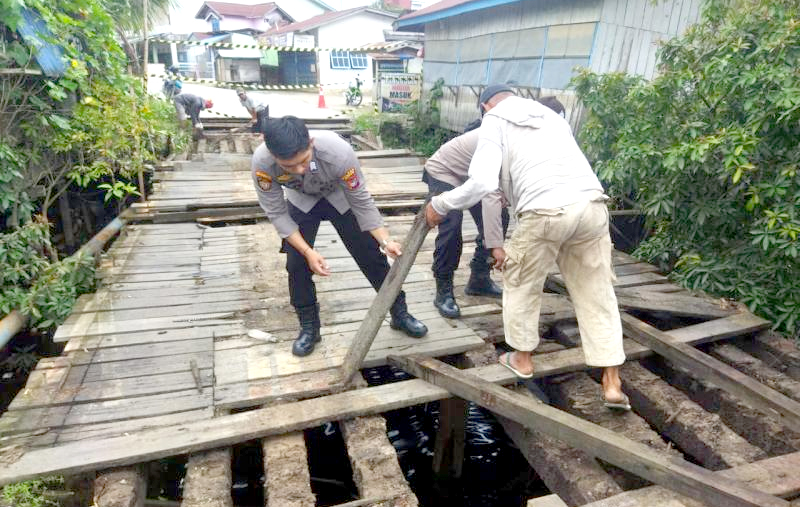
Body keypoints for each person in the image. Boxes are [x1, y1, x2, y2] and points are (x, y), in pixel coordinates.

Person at [424, 85, 629, 410]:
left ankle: (521, 358)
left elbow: (481, 184)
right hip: (592, 205)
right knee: (598, 292)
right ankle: (612, 381)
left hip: (545, 211)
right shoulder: (552, 117)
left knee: (521, 283)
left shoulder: (494, 120)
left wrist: (441, 203)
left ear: (486, 106)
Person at [252, 116, 428, 357]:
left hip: (339, 197)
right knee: (296, 264)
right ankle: (309, 329)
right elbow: (277, 213)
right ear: (273, 156)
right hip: (301, 201)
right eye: (289, 166)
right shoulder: (261, 164)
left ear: (311, 143)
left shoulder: (338, 153)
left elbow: (361, 201)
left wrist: (385, 240)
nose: (299, 170)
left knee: (371, 256)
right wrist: (307, 252)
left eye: (303, 161)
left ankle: (399, 312)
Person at [423, 124, 510, 319]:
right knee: (452, 222)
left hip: (475, 177)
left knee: (502, 217)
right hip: (445, 170)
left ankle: (479, 278)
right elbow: (487, 192)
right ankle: (443, 287)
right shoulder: (503, 134)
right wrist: (496, 245)